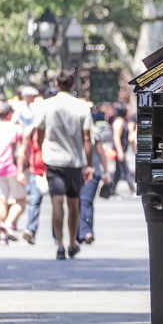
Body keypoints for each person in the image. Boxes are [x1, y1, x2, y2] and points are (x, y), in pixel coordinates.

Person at [32, 72, 94, 260]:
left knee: (56, 202)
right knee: (73, 203)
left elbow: (39, 133)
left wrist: (42, 149)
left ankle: (59, 245)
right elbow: (87, 138)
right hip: (74, 162)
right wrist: (89, 164)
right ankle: (72, 243)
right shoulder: (82, 106)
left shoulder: (46, 105)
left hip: (53, 160)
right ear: (73, 85)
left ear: (57, 85)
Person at [18, 87, 57, 244]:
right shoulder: (32, 129)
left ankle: (57, 236)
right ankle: (31, 230)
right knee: (34, 200)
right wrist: (20, 170)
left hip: (54, 168)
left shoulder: (55, 126)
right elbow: (24, 149)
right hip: (37, 170)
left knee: (57, 202)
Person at [0, 103, 26, 245]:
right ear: (9, 115)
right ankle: (7, 223)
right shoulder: (16, 129)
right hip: (13, 169)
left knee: (2, 201)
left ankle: (2, 236)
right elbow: (21, 151)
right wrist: (21, 171)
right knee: (21, 201)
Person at [78, 114, 111, 244]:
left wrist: (106, 173)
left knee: (86, 201)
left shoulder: (95, 132)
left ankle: (86, 232)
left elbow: (101, 153)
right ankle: (78, 232)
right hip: (75, 170)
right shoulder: (72, 129)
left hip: (93, 171)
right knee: (76, 201)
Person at [109, 102, 134, 195]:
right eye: (128, 110)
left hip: (122, 150)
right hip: (119, 150)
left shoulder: (122, 121)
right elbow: (116, 137)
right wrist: (120, 151)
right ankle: (133, 189)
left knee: (118, 171)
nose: (129, 112)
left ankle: (111, 190)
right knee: (125, 169)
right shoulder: (119, 122)